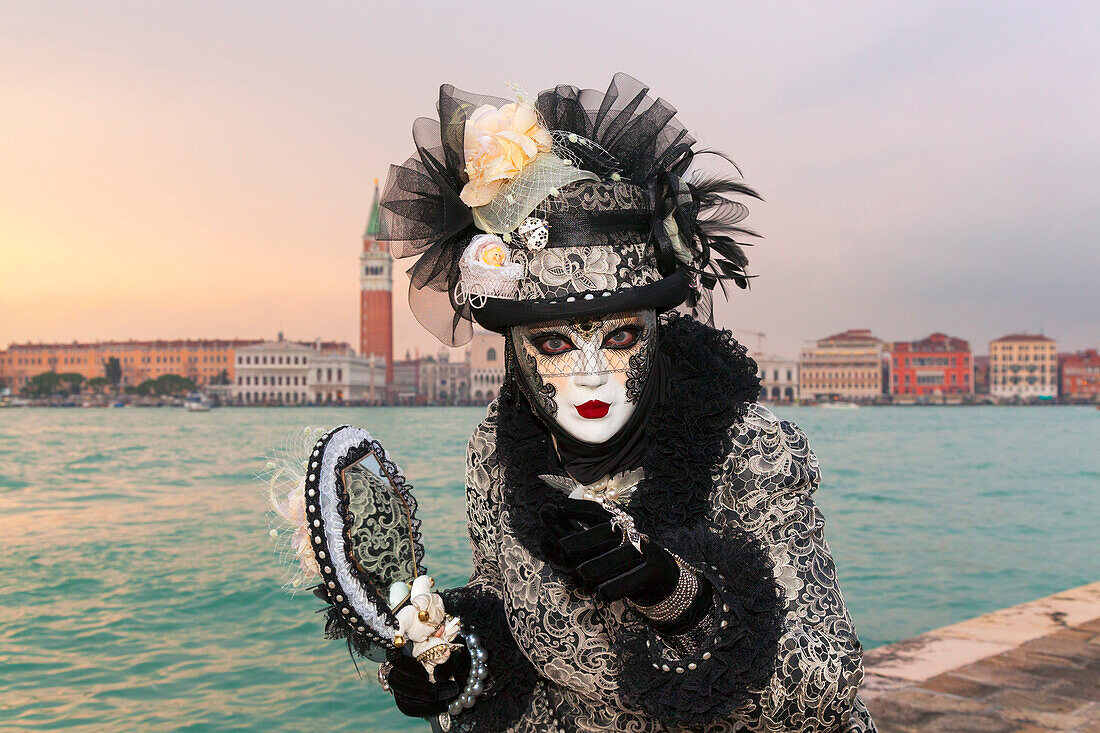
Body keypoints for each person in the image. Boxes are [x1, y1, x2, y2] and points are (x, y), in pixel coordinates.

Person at [376, 74, 877, 732]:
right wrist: (455, 658)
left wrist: (680, 597)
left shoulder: (751, 449)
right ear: (515, 348)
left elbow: (824, 686)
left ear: (656, 327)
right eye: (554, 342)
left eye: (618, 337)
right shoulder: (497, 455)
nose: (589, 375)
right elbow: (512, 614)